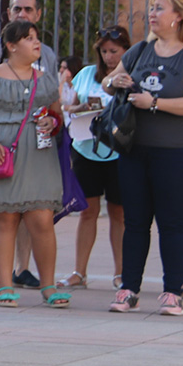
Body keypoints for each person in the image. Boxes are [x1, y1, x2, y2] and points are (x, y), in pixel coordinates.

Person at [102, 0, 183, 315]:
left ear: (178, 17)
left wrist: (155, 103)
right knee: (135, 222)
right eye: (151, 7)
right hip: (134, 149)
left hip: (176, 152)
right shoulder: (140, 50)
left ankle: (172, 290)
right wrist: (114, 80)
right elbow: (107, 81)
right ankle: (129, 288)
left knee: (172, 222)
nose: (152, 13)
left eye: (159, 8)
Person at [0, 20, 68, 309]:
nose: (37, 43)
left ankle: (48, 285)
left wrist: (52, 122)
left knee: (42, 219)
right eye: (29, 38)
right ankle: (5, 285)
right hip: (2, 154)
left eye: (37, 37)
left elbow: (56, 114)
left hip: (38, 155)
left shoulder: (45, 79)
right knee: (5, 219)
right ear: (11, 46)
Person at [0, 0, 57, 290]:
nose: (22, 14)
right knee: (0, 212)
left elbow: (54, 106)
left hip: (36, 148)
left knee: (35, 211)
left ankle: (24, 267)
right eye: (16, 9)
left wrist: (53, 122)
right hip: (0, 146)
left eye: (28, 10)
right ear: (8, 12)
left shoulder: (46, 55)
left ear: (37, 14)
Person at [61, 26, 129, 291]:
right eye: (104, 51)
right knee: (87, 212)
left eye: (114, 51)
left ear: (126, 51)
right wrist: (82, 107)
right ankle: (80, 272)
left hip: (118, 152)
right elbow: (69, 106)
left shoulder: (129, 76)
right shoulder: (88, 73)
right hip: (86, 149)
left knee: (118, 213)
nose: (109, 57)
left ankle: (121, 273)